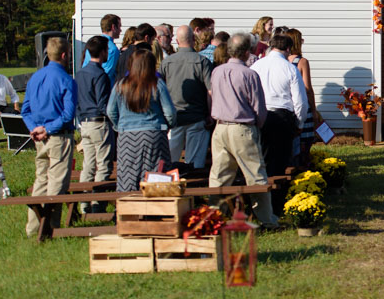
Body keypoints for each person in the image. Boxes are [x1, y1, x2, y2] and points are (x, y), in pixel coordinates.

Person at [209, 33, 278, 228]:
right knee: (256, 175)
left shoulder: (217, 72)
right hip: (242, 128)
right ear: (247, 52)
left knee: (219, 176)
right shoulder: (249, 74)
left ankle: (213, 216)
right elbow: (259, 107)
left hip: (220, 127)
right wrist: (258, 126)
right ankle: (266, 218)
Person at [20, 37, 76, 237]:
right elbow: (68, 115)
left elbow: (25, 109)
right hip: (58, 137)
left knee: (40, 181)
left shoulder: (35, 77)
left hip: (40, 139)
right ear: (64, 55)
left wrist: (35, 128)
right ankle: (51, 228)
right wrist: (48, 129)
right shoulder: (66, 80)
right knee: (56, 184)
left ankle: (33, 228)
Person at [107, 49, 177, 192]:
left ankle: (128, 208)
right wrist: (167, 125)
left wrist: (118, 126)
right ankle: (155, 211)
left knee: (127, 175)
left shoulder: (121, 85)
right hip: (154, 134)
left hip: (127, 135)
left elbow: (110, 111)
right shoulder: (157, 84)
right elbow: (170, 112)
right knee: (157, 175)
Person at [251, 33, 308, 209]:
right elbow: (300, 101)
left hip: (260, 116)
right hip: (282, 117)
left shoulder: (256, 65)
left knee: (261, 160)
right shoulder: (289, 68)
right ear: (288, 49)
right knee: (280, 162)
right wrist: (299, 124)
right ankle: (276, 203)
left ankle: (259, 203)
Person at [160, 25, 213, 171]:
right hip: (197, 117)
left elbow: (160, 89)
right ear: (193, 39)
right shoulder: (202, 61)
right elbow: (210, 91)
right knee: (194, 165)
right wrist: (210, 114)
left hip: (174, 118)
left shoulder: (167, 62)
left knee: (169, 162)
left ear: (177, 41)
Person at [76, 36, 115, 211]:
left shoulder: (80, 73)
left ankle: (83, 203)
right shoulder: (101, 75)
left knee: (88, 165)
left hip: (84, 122)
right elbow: (102, 104)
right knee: (103, 165)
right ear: (102, 52)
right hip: (99, 122)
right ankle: (98, 204)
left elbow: (76, 101)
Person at [286, 28, 321, 166]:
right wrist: (313, 109)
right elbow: (308, 88)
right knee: (305, 141)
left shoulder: (283, 61)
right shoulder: (301, 62)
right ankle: (303, 166)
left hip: (288, 106)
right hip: (301, 105)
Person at [83, 14, 122, 84]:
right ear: (113, 27)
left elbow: (85, 66)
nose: (120, 30)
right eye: (119, 27)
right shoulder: (112, 49)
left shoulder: (92, 43)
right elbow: (107, 75)